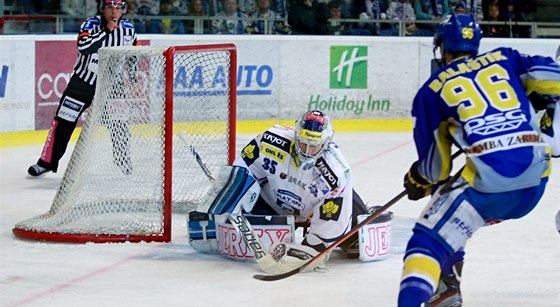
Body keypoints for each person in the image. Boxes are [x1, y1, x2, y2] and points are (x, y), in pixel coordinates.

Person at [398, 14, 560, 307]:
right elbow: (555, 78)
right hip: (536, 180)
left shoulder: (431, 91)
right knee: (446, 200)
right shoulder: (507, 59)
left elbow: (436, 169)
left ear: (442, 48)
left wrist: (417, 178)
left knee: (426, 241)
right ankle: (447, 283)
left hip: (491, 191)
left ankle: (444, 285)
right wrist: (539, 99)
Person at [188, 110, 369, 262]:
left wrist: (311, 249)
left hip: (312, 213)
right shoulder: (271, 141)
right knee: (238, 226)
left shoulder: (336, 171)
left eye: (313, 146)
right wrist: (232, 194)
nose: (306, 150)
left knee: (357, 237)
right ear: (296, 134)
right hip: (272, 204)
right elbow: (244, 168)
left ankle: (361, 221)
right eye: (304, 142)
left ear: (325, 143)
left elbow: (334, 222)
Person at [27, 0, 139, 178]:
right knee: (63, 122)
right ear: (103, 9)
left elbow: (133, 54)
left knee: (119, 125)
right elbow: (84, 47)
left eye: (118, 8)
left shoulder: (129, 30)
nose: (114, 12)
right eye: (110, 7)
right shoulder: (91, 24)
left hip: (113, 86)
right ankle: (47, 163)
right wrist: (106, 30)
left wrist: (133, 75)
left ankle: (124, 164)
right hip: (83, 83)